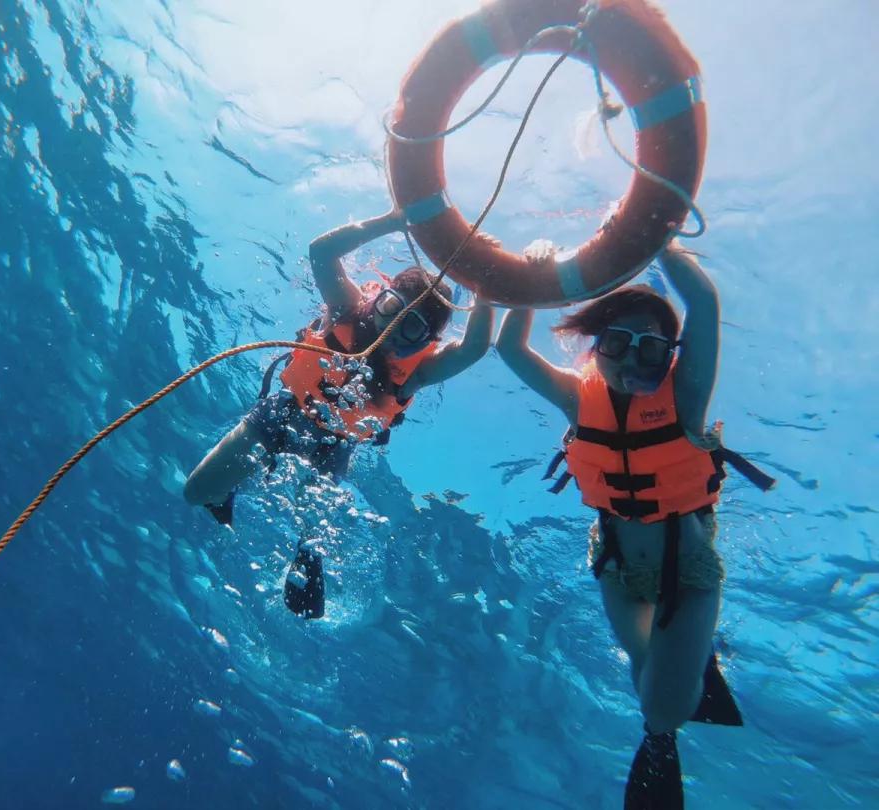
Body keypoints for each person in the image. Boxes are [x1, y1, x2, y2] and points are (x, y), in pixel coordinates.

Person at [495, 244, 774, 808]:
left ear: (672, 355)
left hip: (689, 571)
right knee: (650, 675)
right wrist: (527, 276)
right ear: (597, 349)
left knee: (661, 707)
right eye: (617, 344)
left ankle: (660, 737)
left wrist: (658, 239)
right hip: (615, 567)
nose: (631, 362)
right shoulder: (579, 399)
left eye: (650, 349)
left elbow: (700, 299)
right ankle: (688, 675)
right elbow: (509, 346)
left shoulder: (686, 399)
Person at [184, 209, 494, 619]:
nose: (392, 329)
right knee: (195, 492)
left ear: (428, 341)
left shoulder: (416, 373)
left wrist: (487, 281)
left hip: (335, 447)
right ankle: (226, 494)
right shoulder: (346, 308)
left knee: (312, 533)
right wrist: (396, 220)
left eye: (412, 328)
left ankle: (308, 559)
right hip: (281, 412)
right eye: (390, 308)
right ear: (377, 299)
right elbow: (321, 251)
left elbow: (473, 349)